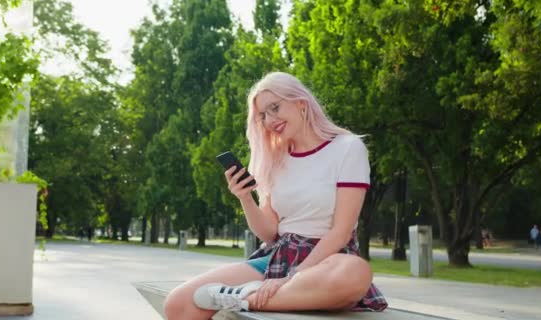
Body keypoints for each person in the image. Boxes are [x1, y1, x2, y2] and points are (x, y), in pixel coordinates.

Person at [164, 72, 387, 320]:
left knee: (356, 272)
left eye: (275, 108)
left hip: (327, 260)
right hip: (279, 256)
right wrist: (245, 198)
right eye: (263, 116)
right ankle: (253, 295)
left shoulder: (348, 147)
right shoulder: (273, 159)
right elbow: (270, 234)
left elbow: (341, 232)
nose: (270, 120)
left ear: (301, 103)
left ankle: (245, 299)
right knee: (178, 304)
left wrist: (292, 278)